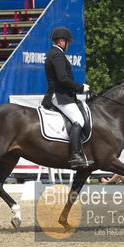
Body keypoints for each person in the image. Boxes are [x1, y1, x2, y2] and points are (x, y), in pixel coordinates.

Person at [42, 26, 93, 169]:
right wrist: (80, 87)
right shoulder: (57, 55)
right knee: (79, 120)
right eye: (68, 42)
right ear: (61, 41)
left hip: (62, 94)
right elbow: (63, 79)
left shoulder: (54, 53)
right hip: (59, 95)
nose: (69, 44)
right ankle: (75, 155)